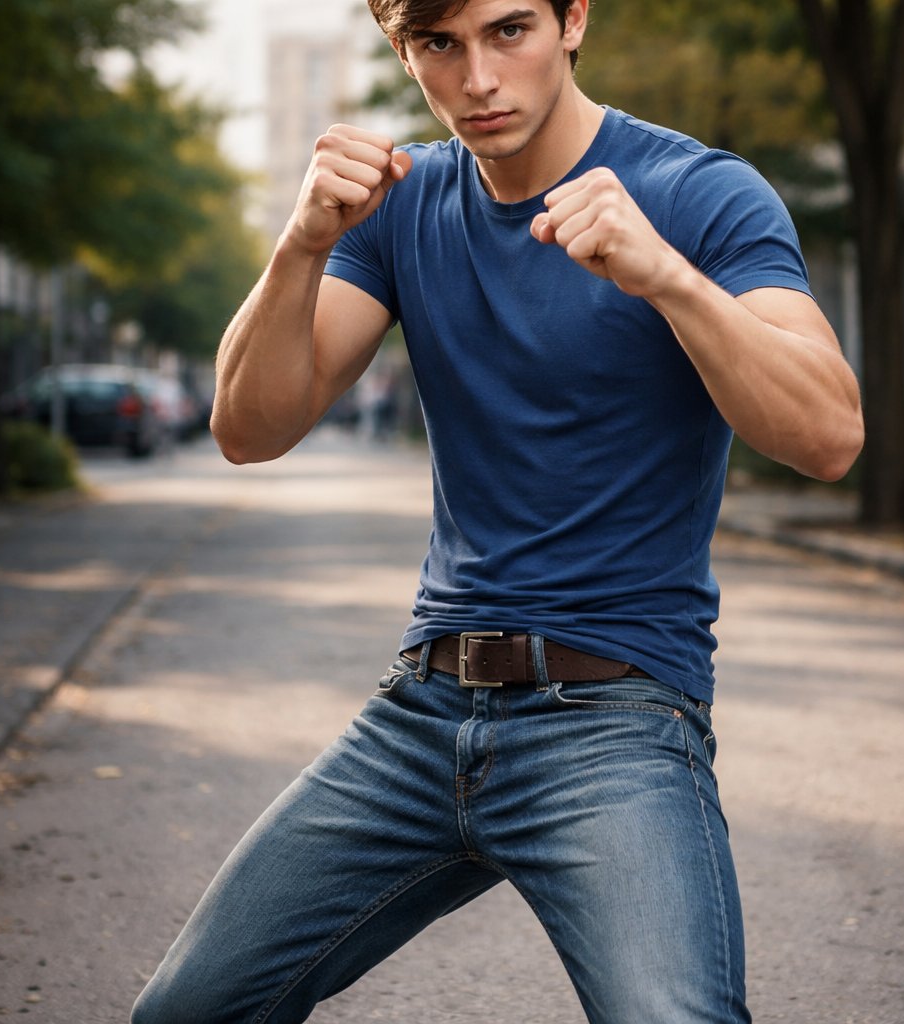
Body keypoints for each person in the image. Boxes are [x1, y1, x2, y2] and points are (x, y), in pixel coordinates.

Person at [131, 0, 864, 1021]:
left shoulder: (697, 193)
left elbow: (829, 435)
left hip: (613, 719)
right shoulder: (400, 205)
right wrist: (299, 244)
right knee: (184, 1010)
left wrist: (667, 280)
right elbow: (250, 429)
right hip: (423, 713)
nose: (476, 77)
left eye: (507, 30)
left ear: (573, 18)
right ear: (403, 50)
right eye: (439, 44)